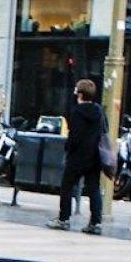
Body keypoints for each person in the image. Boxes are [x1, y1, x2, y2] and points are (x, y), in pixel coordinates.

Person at [47, 78, 105, 235]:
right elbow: (103, 132)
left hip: (78, 156)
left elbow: (75, 136)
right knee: (94, 188)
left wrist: (68, 148)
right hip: (95, 156)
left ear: (80, 94)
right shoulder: (99, 111)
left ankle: (64, 219)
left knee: (67, 186)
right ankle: (96, 222)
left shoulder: (77, 112)